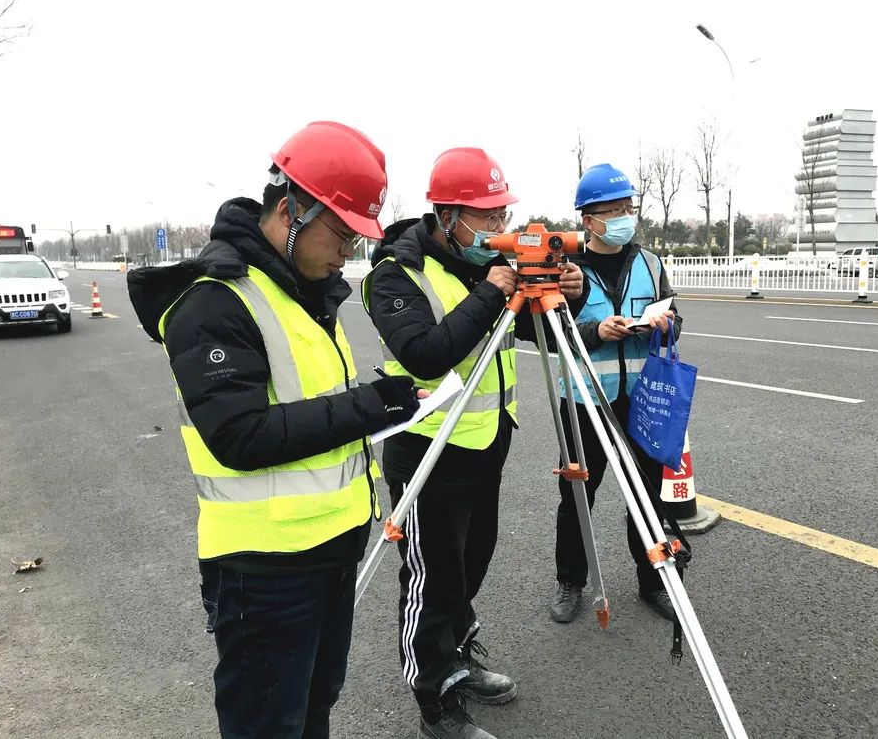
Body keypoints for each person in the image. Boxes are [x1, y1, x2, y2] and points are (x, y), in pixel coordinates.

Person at [128, 121, 424, 739]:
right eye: (341, 234)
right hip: (264, 571)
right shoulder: (215, 301)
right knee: (267, 724)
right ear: (291, 211)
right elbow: (240, 436)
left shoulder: (302, 293)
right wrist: (373, 405)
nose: (348, 252)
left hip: (330, 550)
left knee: (314, 708)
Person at [362, 148, 588, 739]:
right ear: (446, 215)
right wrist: (490, 293)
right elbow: (425, 353)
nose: (498, 228)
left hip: (486, 443)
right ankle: (433, 697)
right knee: (431, 580)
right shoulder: (396, 273)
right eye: (486, 217)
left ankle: (458, 657)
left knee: (469, 566)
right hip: (428, 450)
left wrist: (567, 289)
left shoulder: (489, 267)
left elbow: (540, 332)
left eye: (501, 215)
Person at [548, 163, 683, 625]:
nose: (625, 216)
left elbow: (676, 319)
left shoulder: (650, 264)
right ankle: (571, 581)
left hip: (641, 400)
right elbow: (553, 332)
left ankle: (653, 580)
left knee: (647, 495)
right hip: (585, 401)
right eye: (614, 210)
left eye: (629, 207)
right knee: (577, 498)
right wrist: (597, 330)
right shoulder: (567, 270)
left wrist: (665, 324)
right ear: (589, 220)